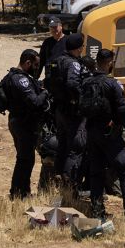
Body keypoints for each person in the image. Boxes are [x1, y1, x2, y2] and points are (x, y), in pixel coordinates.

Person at [84, 48, 125, 220]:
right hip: (110, 133)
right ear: (108, 63)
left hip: (92, 132)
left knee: (96, 171)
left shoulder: (86, 82)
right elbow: (122, 109)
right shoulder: (112, 84)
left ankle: (97, 210)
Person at [3, 49, 49, 199]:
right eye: (35, 64)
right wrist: (45, 92)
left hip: (16, 121)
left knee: (23, 158)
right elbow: (35, 102)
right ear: (27, 63)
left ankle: (19, 191)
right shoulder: (21, 80)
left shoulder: (10, 76)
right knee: (26, 160)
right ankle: (20, 193)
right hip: (23, 124)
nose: (37, 68)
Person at [51, 32, 86, 186]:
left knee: (62, 144)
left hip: (59, 109)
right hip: (72, 111)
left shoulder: (57, 60)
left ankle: (58, 174)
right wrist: (80, 99)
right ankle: (69, 181)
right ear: (78, 48)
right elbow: (73, 83)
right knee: (75, 147)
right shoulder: (73, 63)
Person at [34, 16, 67, 82]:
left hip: (64, 76)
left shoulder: (68, 40)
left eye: (55, 27)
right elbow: (41, 61)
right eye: (51, 28)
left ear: (61, 26)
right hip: (50, 76)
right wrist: (35, 78)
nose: (54, 29)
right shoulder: (47, 42)